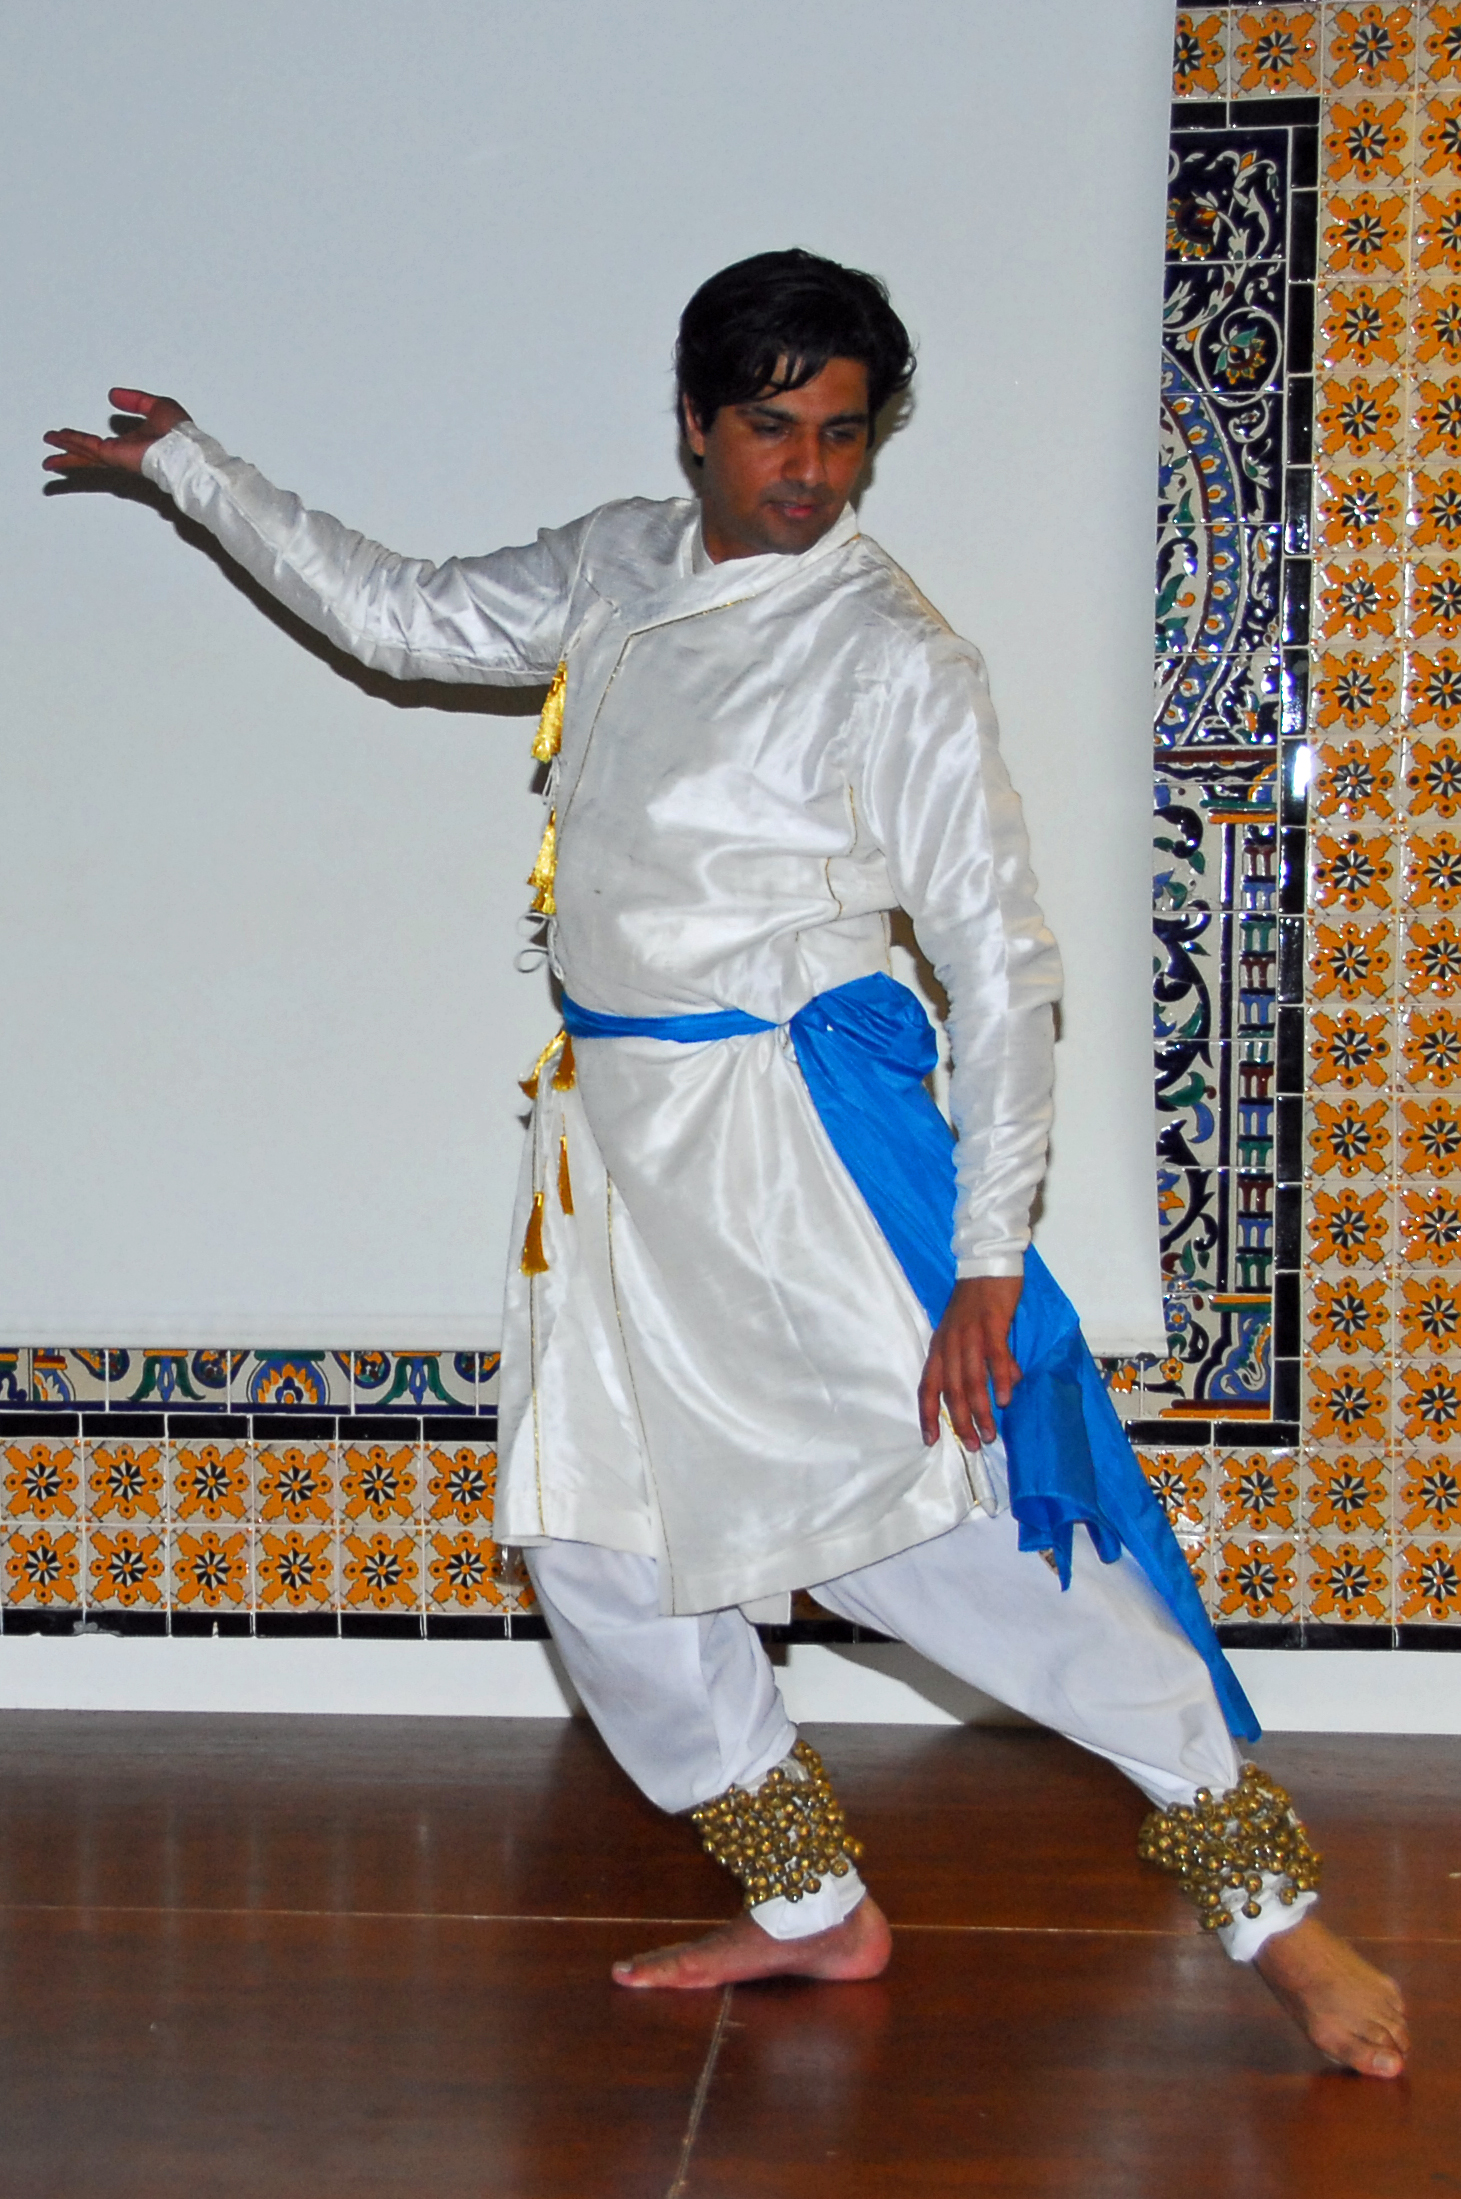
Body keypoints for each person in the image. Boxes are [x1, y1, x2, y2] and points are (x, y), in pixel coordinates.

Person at [45, 249, 1407, 2078]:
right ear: (692, 425)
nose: (810, 474)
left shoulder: (891, 657)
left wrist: (986, 1256)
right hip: (609, 1167)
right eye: (771, 427)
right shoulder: (619, 563)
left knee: (940, 1538)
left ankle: (1275, 1917)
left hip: (790, 1166)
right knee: (602, 1553)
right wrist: (198, 469)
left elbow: (998, 966)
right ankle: (806, 1905)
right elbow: (404, 615)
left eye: (843, 435)